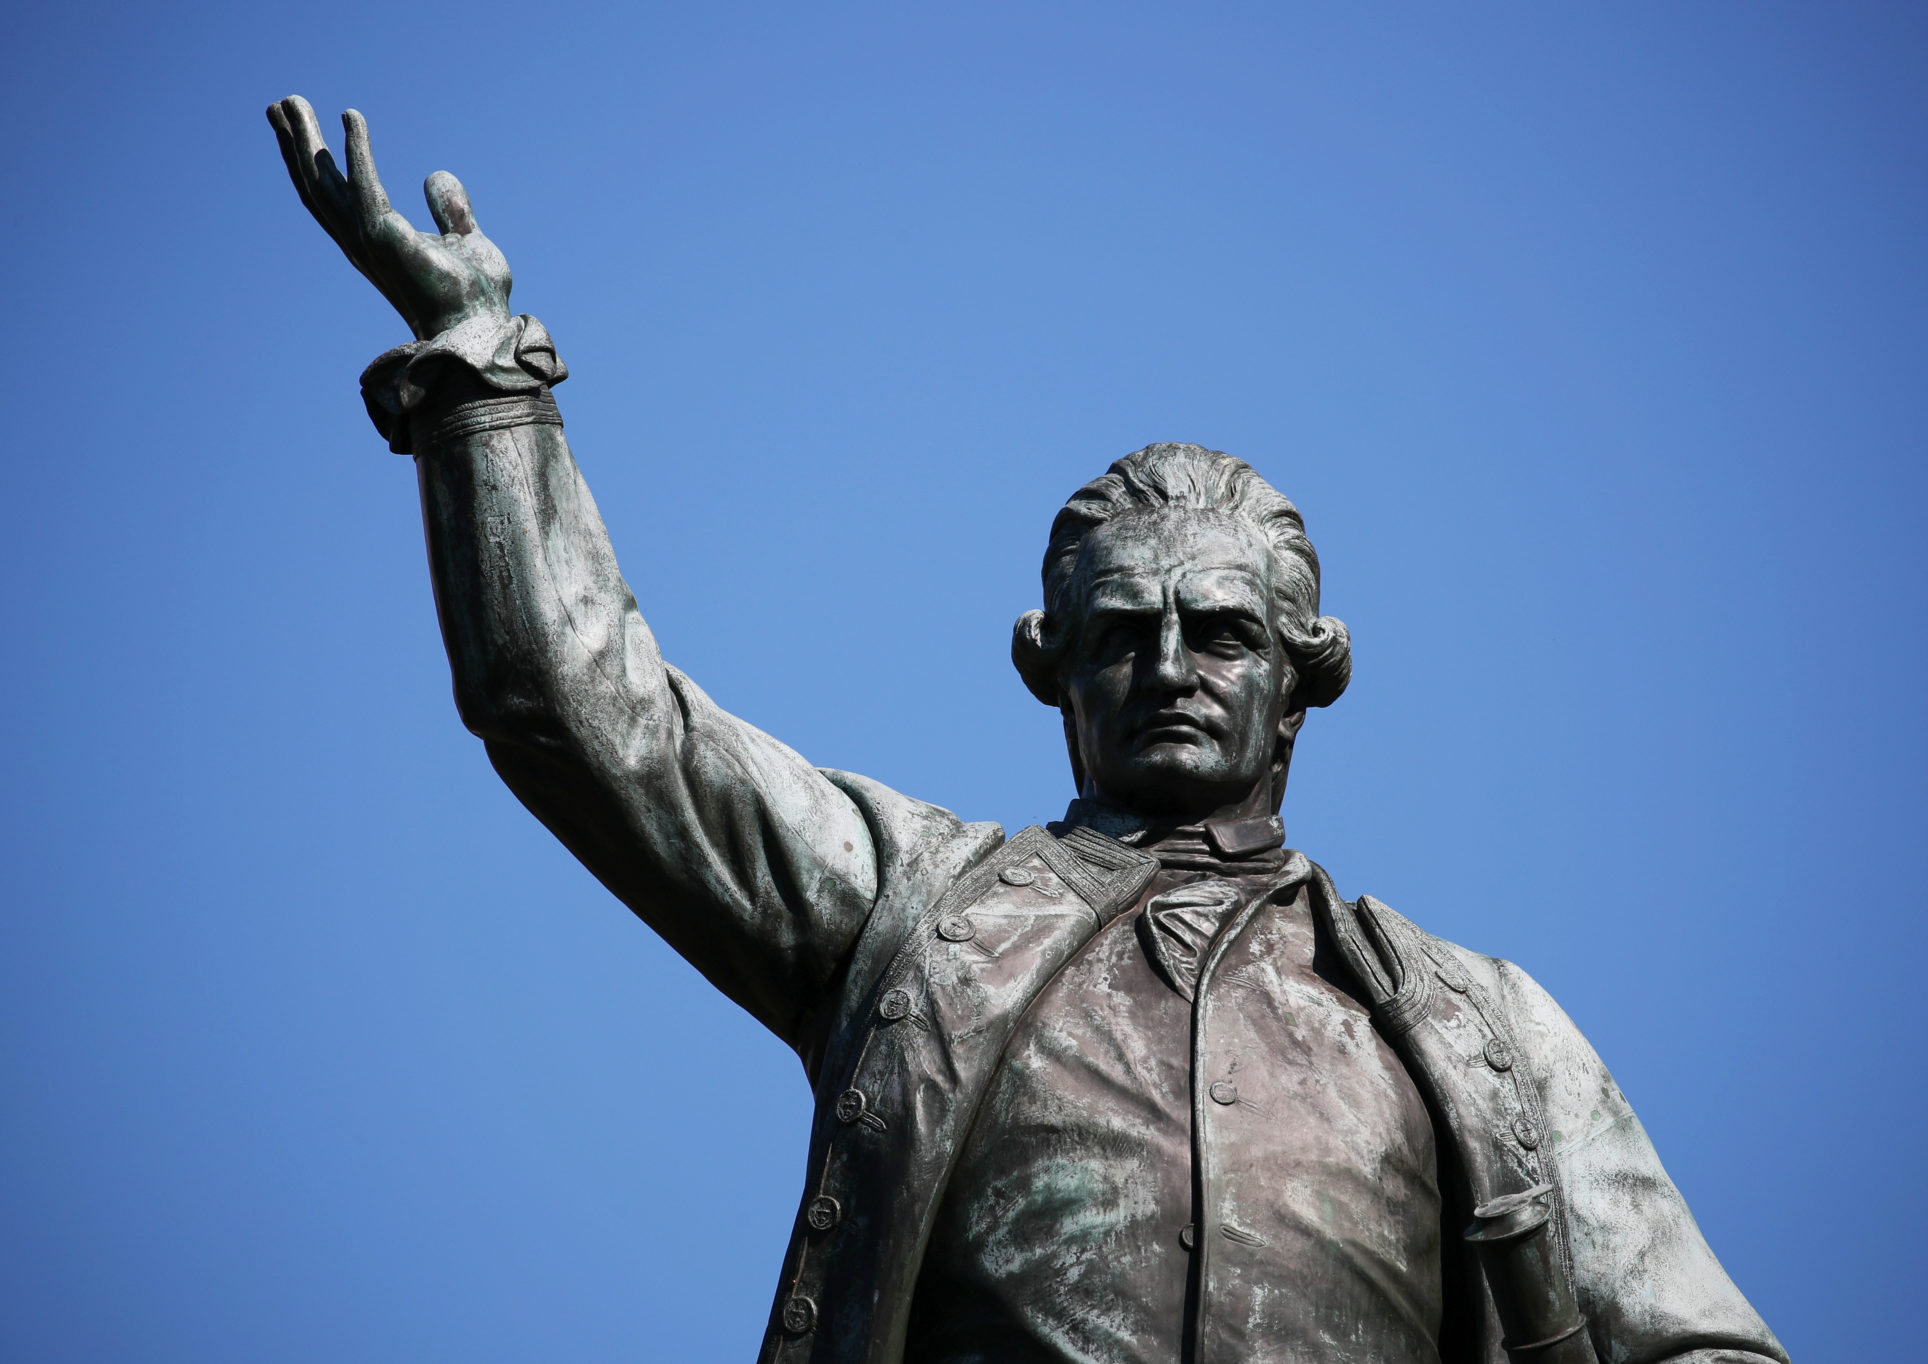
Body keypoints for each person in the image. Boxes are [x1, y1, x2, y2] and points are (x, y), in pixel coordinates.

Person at [266, 96, 1789, 1364]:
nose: (1171, 666)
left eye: (1222, 631)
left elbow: (1696, 1345)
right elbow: (588, 720)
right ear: (1050, 670)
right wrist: (479, 371)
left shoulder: (1480, 1029)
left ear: (1304, 677)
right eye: (1121, 635)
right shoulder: (913, 911)